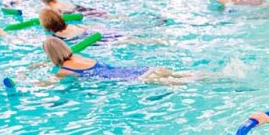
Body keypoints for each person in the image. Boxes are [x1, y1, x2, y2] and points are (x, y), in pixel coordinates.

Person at [41, 37, 193, 85]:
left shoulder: (64, 71)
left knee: (188, 84)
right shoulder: (79, 56)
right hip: (141, 69)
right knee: (191, 76)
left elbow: (47, 83)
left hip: (136, 78)